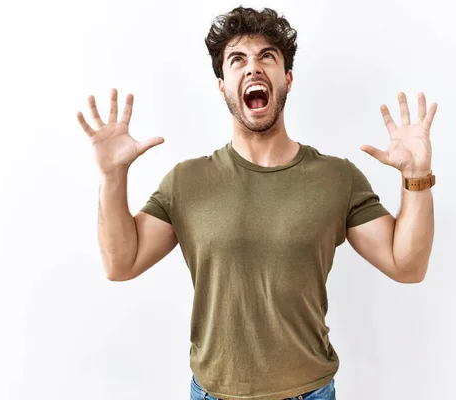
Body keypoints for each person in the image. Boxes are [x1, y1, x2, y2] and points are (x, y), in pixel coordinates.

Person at [76, 6, 437, 400]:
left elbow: (408, 266)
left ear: (288, 78)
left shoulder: (337, 178)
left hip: (309, 392)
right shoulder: (187, 181)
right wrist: (113, 177)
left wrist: (416, 176)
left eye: (267, 56)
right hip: (213, 393)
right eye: (237, 59)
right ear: (222, 86)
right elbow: (120, 263)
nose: (253, 68)